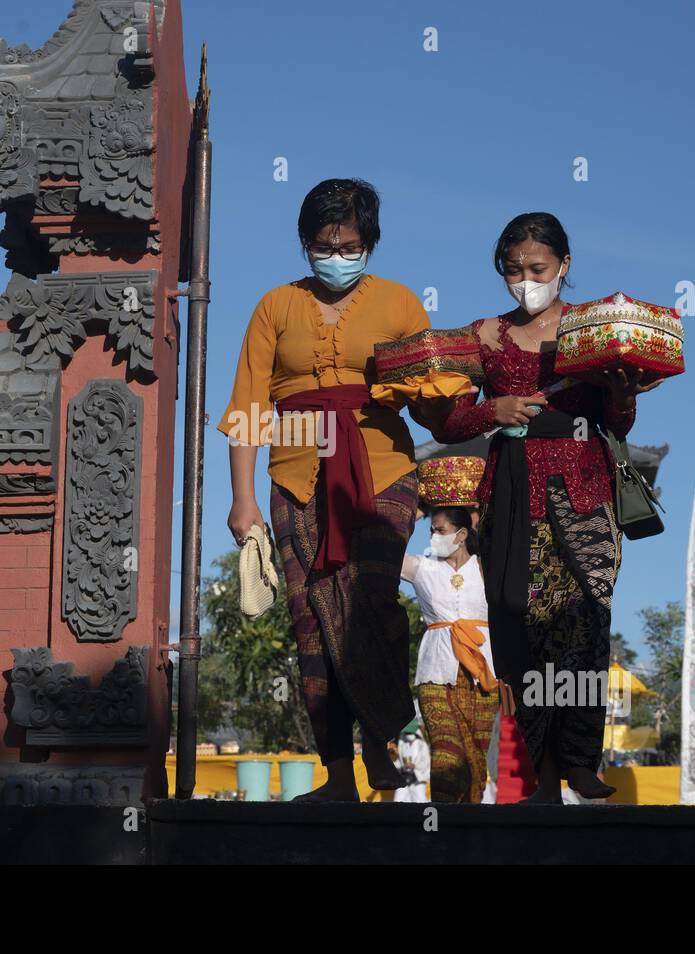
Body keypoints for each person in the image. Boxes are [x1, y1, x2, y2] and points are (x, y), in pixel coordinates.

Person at [430, 212, 662, 804]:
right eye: (513, 270)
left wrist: (621, 392)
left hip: (583, 489)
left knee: (584, 623)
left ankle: (580, 761)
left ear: (564, 266)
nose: (525, 280)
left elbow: (619, 423)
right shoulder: (483, 335)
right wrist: (494, 410)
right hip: (511, 492)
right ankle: (534, 771)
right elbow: (448, 419)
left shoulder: (594, 328)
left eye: (537, 268)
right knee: (518, 627)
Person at [220, 178, 434, 802]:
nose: (336, 255)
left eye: (349, 243)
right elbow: (248, 409)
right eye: (323, 244)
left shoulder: (399, 303)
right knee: (311, 620)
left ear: (370, 242)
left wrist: (453, 394)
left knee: (371, 603)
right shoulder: (274, 306)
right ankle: (338, 775)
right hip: (293, 476)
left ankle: (383, 745)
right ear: (304, 243)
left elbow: (429, 401)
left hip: (385, 472)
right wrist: (243, 500)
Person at [401, 460, 516, 803]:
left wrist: (482, 509)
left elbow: (509, 535)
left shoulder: (489, 567)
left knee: (476, 756)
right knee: (448, 753)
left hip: (483, 673)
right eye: (432, 530)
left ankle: (468, 829)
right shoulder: (421, 568)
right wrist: (415, 514)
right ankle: (441, 821)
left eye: (440, 530)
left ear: (462, 534)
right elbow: (381, 547)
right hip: (435, 672)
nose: (433, 536)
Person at [392, 719, 430, 803]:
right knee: (398, 801)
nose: (407, 735)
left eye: (409, 733)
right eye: (406, 733)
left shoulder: (422, 745)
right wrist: (396, 766)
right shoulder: (402, 744)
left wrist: (415, 766)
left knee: (419, 802)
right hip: (404, 777)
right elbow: (398, 761)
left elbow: (426, 762)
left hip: (417, 779)